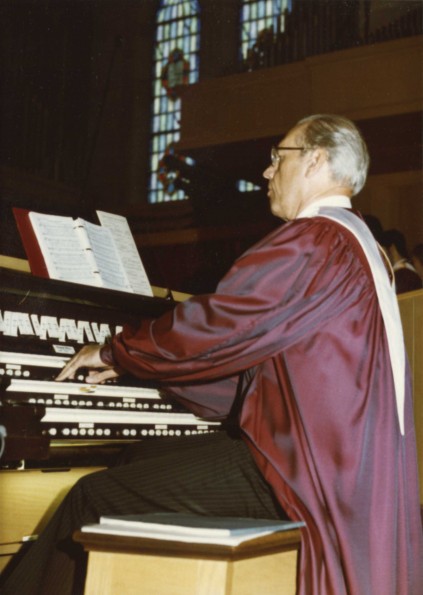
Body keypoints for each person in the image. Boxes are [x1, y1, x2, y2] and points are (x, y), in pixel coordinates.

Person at [1, 114, 422, 595]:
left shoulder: (315, 241)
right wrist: (151, 371)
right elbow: (262, 358)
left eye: (276, 157)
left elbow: (223, 324)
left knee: (90, 495)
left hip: (305, 476)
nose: (267, 173)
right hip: (342, 470)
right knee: (135, 460)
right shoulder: (359, 245)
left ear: (316, 160)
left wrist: (117, 352)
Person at [381, 228, 422, 293]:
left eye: (383, 253)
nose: (381, 258)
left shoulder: (402, 275)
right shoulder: (409, 270)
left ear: (392, 249)